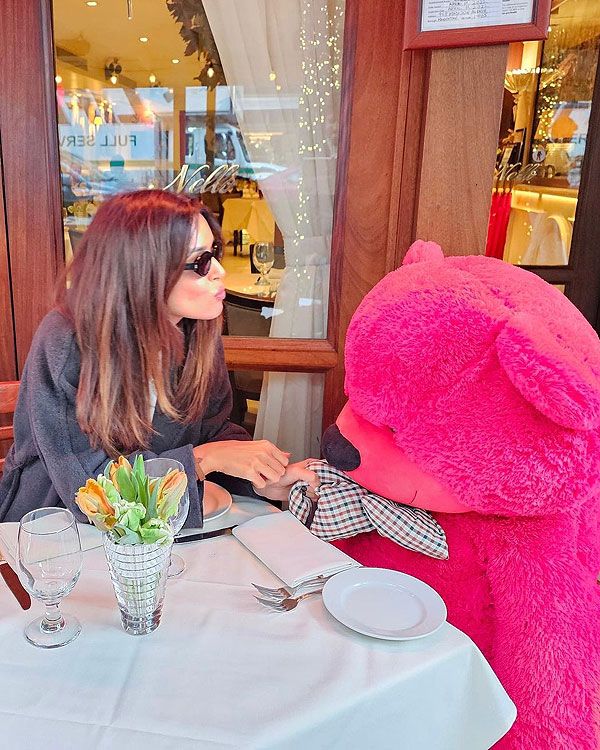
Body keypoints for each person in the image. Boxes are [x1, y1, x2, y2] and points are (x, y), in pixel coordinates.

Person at [0, 190, 317, 525]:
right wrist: (200, 461)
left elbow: (213, 432)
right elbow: (88, 491)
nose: (220, 271)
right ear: (143, 271)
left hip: (164, 530)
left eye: (215, 252)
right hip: (56, 531)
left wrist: (262, 479)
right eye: (201, 263)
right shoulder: (69, 340)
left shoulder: (197, 331)